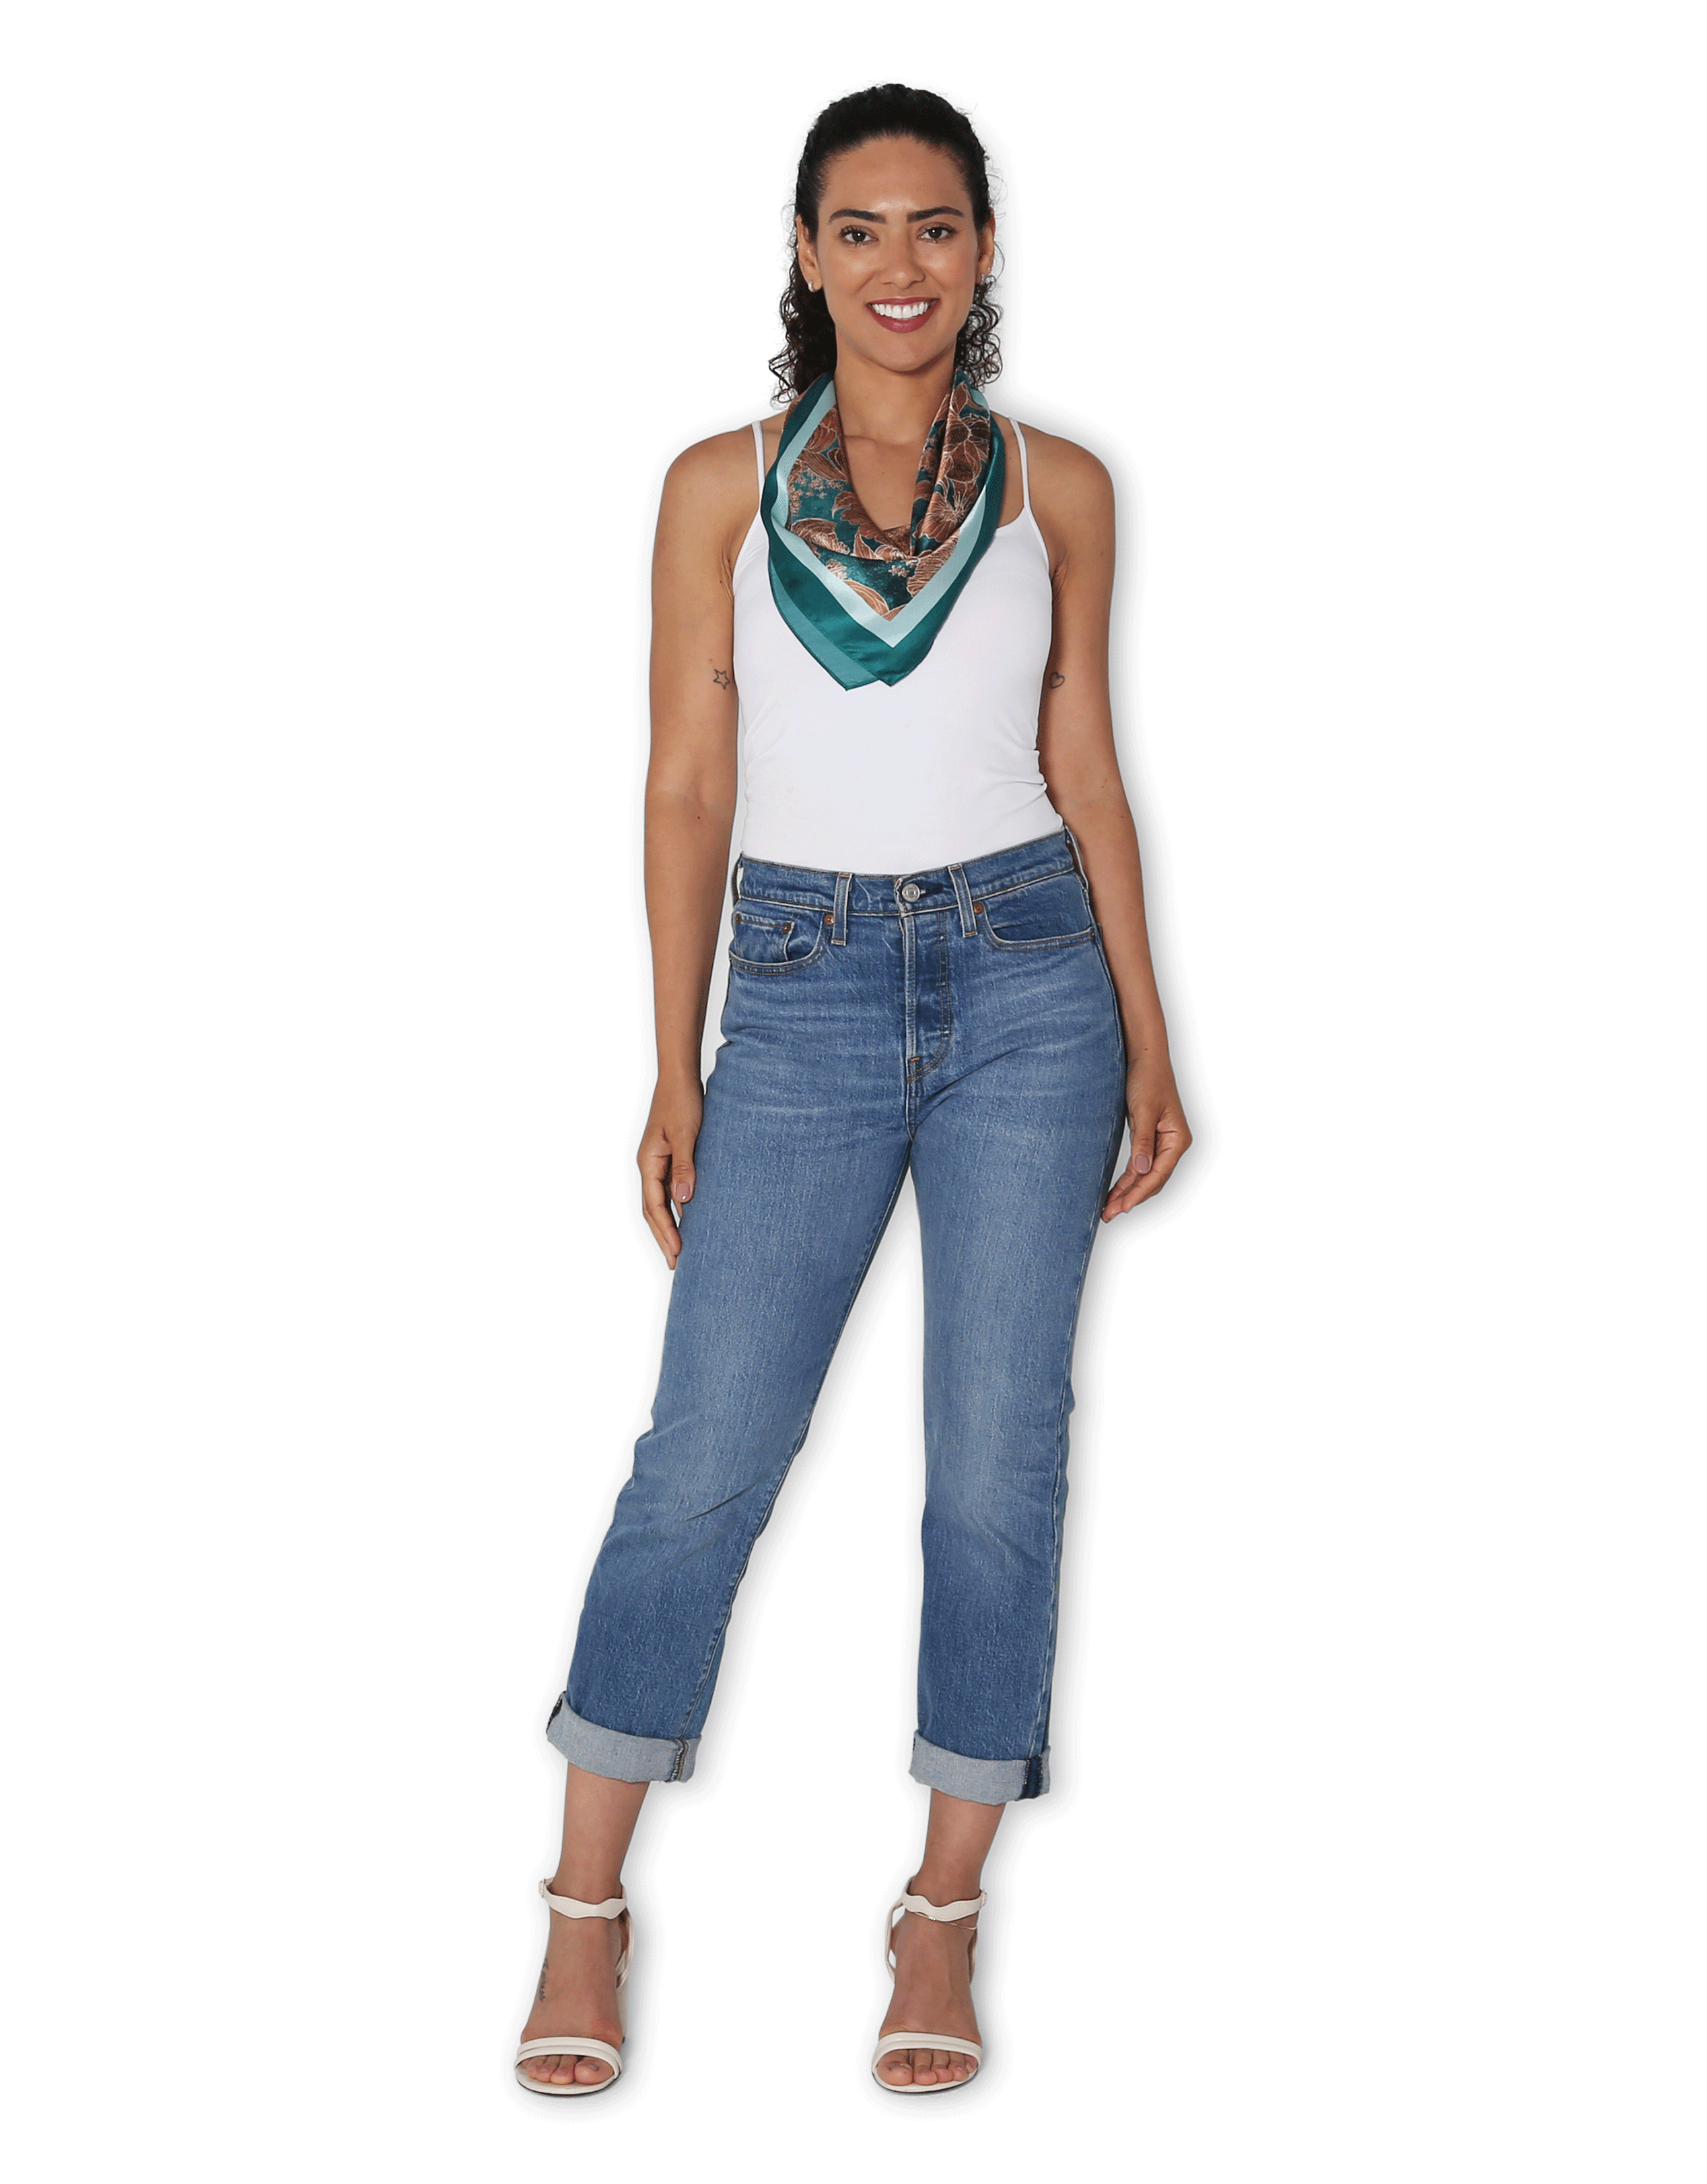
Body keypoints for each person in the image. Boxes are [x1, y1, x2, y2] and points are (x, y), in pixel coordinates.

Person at [514, 81, 1191, 2098]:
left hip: (1031, 986)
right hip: (799, 994)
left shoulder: (1061, 488)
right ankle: (581, 1903)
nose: (903, 265)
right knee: (706, 1454)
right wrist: (673, 1060)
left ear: (983, 251)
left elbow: (1086, 763)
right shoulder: (717, 488)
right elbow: (685, 781)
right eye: (862, 228)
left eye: (938, 227)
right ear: (808, 255)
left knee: (997, 1462)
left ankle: (943, 1908)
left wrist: (1152, 1033)